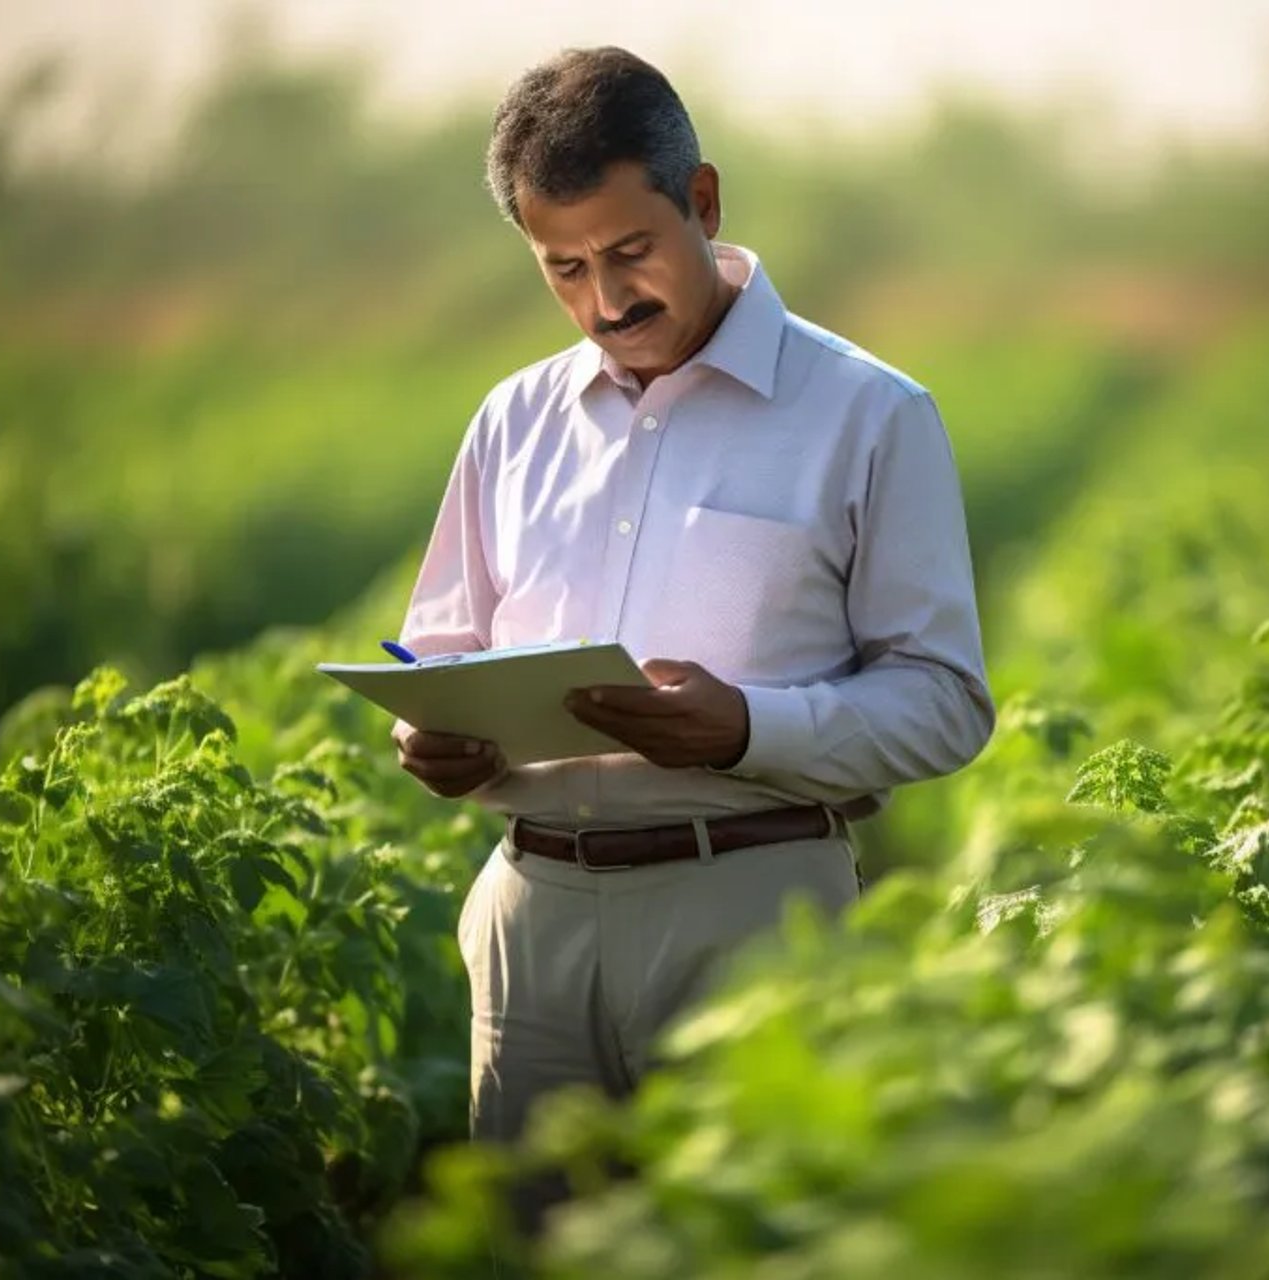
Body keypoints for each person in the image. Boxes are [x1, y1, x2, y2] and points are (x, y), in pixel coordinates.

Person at [390, 44, 993, 1221]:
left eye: (630, 253)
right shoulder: (513, 421)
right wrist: (435, 732)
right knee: (529, 1245)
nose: (606, 301)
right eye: (563, 268)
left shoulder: (869, 412)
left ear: (703, 202)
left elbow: (946, 699)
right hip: (535, 924)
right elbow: (441, 646)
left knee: (753, 1238)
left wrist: (743, 728)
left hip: (756, 907)